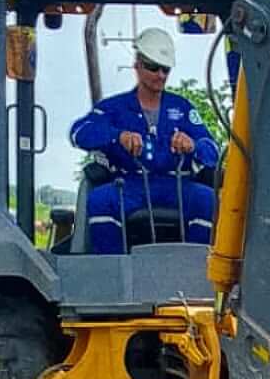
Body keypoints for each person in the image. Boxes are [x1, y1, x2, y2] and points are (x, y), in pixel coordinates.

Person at [69, 27, 220, 255]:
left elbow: (212, 150)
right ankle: (113, 271)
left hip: (178, 185)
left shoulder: (182, 107)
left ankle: (195, 270)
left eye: (165, 69)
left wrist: (193, 145)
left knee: (208, 200)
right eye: (153, 67)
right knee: (100, 200)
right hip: (130, 184)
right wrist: (117, 136)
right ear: (137, 65)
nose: (160, 75)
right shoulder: (114, 107)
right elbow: (79, 132)